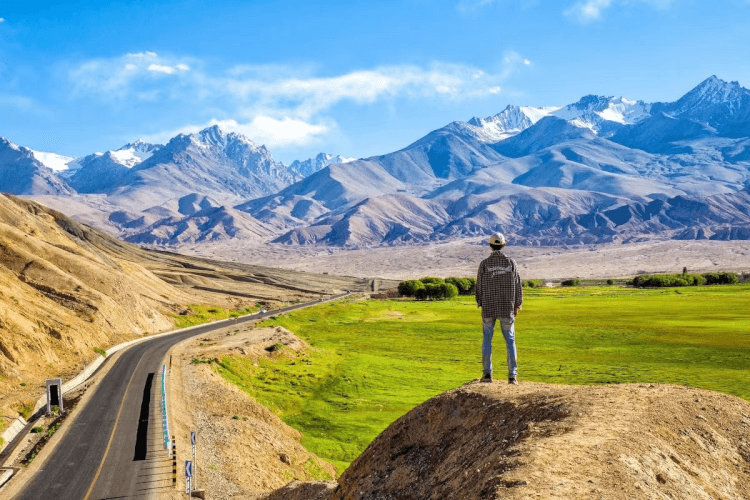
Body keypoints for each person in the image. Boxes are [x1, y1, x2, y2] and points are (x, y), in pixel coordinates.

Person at [475, 233, 523, 384]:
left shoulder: (484, 264)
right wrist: (517, 304)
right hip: (506, 308)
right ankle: (512, 376)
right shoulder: (511, 263)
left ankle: (487, 375)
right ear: (503, 245)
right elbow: (518, 285)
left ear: (490, 245)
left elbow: (479, 287)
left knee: (487, 341)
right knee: (510, 341)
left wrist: (481, 303)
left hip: (488, 308)